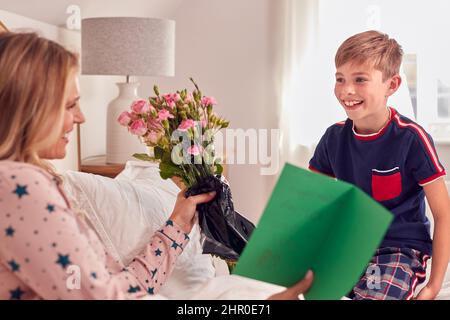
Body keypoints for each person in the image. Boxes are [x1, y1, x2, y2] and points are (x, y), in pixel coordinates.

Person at [0, 32, 313, 300]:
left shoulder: (26, 181)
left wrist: (177, 225)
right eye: (70, 104)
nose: (81, 117)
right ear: (27, 108)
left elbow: (117, 288)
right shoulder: (19, 186)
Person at [309, 30, 450, 300]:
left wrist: (432, 286)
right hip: (348, 247)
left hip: (398, 248)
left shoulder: (412, 138)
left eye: (360, 79)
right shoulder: (333, 137)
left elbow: (444, 213)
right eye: (340, 79)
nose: (346, 90)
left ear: (392, 85)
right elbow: (308, 204)